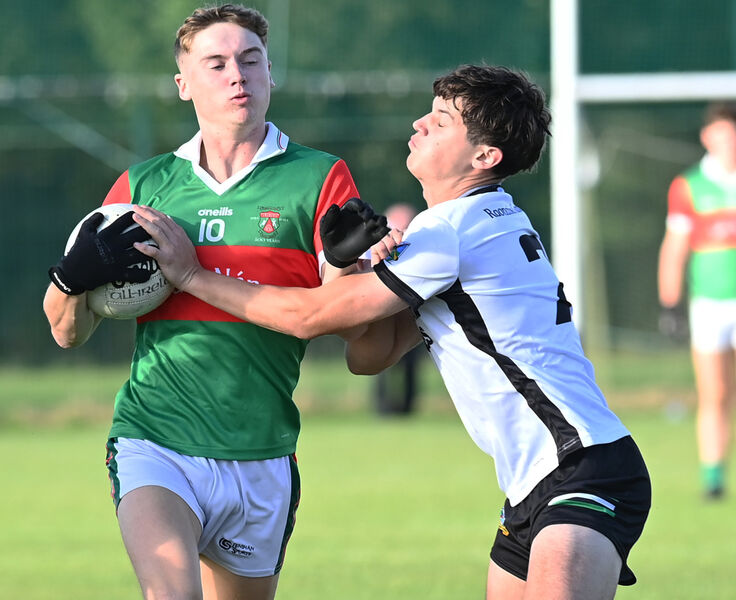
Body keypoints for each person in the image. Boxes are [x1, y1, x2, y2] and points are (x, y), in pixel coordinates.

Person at [133, 64, 652, 600]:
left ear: (484, 157)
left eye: (443, 120)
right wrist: (354, 266)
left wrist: (192, 275)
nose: (420, 123)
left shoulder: (451, 229)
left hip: (581, 469)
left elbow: (310, 318)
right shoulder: (474, 222)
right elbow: (372, 355)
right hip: (533, 485)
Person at [43, 5, 377, 599]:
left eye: (250, 61)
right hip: (155, 439)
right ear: (184, 84)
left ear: (271, 73)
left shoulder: (320, 178)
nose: (237, 76)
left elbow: (350, 325)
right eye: (216, 63)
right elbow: (67, 332)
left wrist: (350, 269)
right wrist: (71, 280)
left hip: (262, 452)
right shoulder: (141, 189)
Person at [658, 101, 736, 500]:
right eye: (723, 134)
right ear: (708, 137)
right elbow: (675, 248)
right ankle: (713, 478)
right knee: (715, 392)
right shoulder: (690, 185)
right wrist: (670, 303)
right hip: (710, 303)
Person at [373, 203, 422, 415]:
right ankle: (384, 407)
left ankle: (406, 407)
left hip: (411, 314)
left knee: (409, 364)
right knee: (380, 363)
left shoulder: (413, 245)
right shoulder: (384, 247)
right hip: (388, 311)